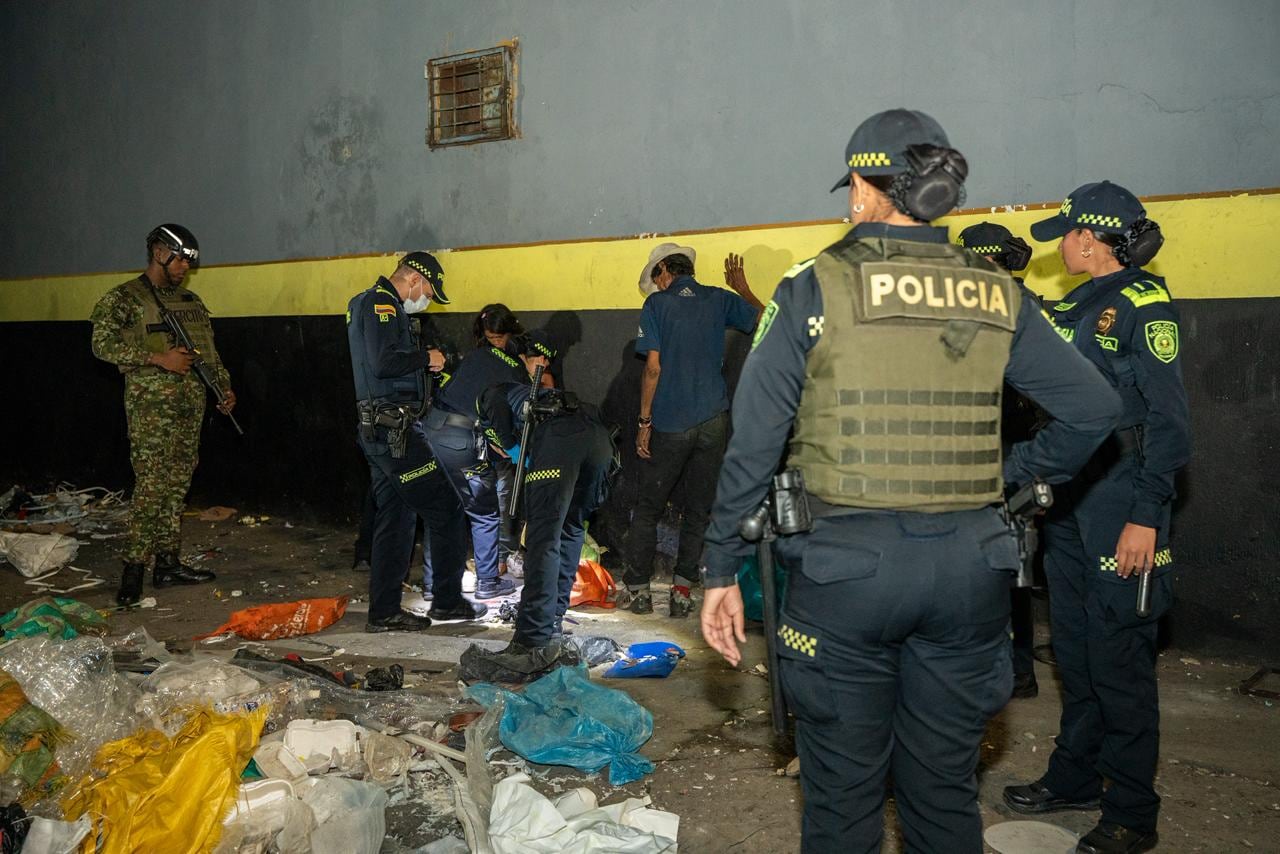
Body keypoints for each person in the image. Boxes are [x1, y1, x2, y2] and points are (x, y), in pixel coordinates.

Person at [698, 109, 1123, 853]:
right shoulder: (996, 290)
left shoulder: (813, 286)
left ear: (870, 188)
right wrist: (1010, 476)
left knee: (843, 802)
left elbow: (755, 441)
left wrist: (716, 566)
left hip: (847, 572)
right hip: (971, 572)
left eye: (853, 185)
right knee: (942, 796)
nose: (848, 200)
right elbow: (1096, 407)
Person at [1003, 181, 1190, 854]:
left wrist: (1148, 514)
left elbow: (1169, 423)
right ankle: (1077, 776)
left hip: (1123, 501)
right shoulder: (1083, 303)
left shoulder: (1146, 307)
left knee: (1120, 664)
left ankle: (1134, 812)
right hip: (1075, 500)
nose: (1062, 246)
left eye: (1068, 235)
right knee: (1078, 655)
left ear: (1090, 237)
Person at [91, 224, 234, 606]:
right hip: (152, 410)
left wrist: (223, 388)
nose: (185, 268)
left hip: (190, 405)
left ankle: (168, 564)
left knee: (177, 486)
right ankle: (134, 567)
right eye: (180, 260)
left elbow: (209, 352)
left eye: (188, 262)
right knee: (152, 486)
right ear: (158, 253)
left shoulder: (190, 301)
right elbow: (101, 344)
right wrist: (158, 358)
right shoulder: (124, 299)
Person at [347, 252, 486, 632]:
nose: (425, 299)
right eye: (427, 290)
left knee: (396, 517)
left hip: (381, 430)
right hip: (395, 433)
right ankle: (446, 601)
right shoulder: (381, 305)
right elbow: (381, 363)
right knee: (447, 510)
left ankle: (385, 611)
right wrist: (426, 357)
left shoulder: (369, 304)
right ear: (413, 279)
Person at [625, 244, 763, 617]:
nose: (656, 285)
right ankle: (683, 591)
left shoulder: (656, 306)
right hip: (714, 422)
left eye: (657, 278)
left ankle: (638, 590)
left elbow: (652, 369)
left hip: (670, 423)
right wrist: (743, 288)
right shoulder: (719, 298)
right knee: (699, 510)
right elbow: (765, 318)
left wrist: (643, 422)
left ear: (665, 269)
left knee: (650, 506)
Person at [477, 329, 616, 658]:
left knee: (542, 540)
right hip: (598, 441)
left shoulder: (492, 394)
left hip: (559, 444)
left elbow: (501, 431)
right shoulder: (535, 396)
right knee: (568, 530)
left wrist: (512, 450)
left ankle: (533, 637)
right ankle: (551, 621)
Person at [958, 221, 1041, 700]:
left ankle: (1014, 667)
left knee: (1010, 565)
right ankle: (1007, 665)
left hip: (1004, 453)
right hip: (994, 451)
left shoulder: (1007, 309)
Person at [425, 304, 526, 600]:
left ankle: (434, 586)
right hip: (462, 439)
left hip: (431, 430)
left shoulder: (473, 357)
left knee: (442, 510)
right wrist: (509, 447)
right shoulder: (514, 370)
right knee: (483, 512)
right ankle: (487, 582)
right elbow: (501, 421)